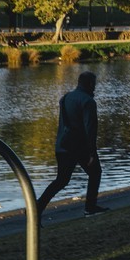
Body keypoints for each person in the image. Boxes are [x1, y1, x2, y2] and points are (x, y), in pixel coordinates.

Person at [36, 71, 108, 217]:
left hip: (62, 145)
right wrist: (92, 153)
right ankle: (90, 207)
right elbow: (90, 129)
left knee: (61, 180)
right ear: (89, 84)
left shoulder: (65, 98)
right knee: (95, 172)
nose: (94, 88)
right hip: (79, 147)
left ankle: (36, 208)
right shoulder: (88, 102)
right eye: (93, 84)